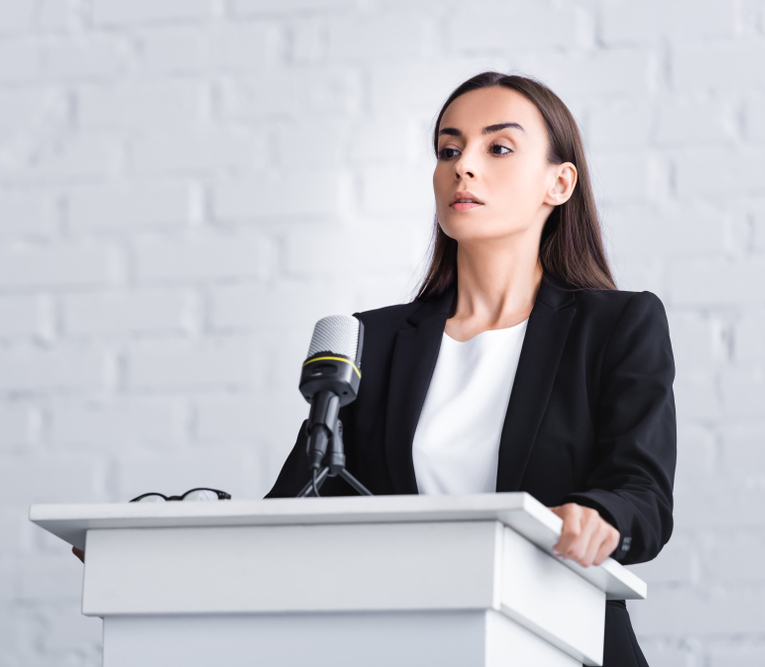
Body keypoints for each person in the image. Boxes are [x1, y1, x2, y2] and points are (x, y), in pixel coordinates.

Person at [264, 71, 676, 667]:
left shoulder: (617, 325)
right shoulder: (371, 340)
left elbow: (644, 494)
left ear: (558, 183)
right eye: (449, 150)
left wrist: (602, 516)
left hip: (564, 644)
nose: (464, 167)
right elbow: (294, 505)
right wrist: (160, 554)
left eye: (498, 148)